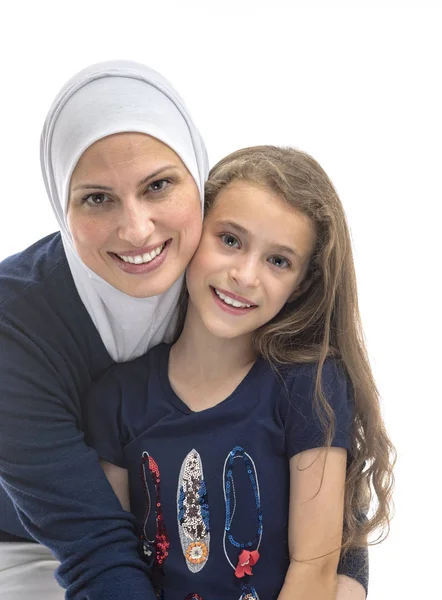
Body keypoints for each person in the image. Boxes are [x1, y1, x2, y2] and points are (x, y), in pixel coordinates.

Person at [0, 61, 369, 599]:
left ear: (197, 187)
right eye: (96, 197)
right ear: (61, 203)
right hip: (37, 541)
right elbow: (96, 550)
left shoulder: (214, 277)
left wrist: (344, 575)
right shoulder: (18, 326)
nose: (136, 229)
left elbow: (322, 511)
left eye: (158, 186)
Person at [84, 146, 395, 599]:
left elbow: (315, 566)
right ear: (192, 232)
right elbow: (112, 562)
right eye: (230, 240)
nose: (245, 275)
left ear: (301, 283)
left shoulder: (310, 385)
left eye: (278, 261)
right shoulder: (116, 398)